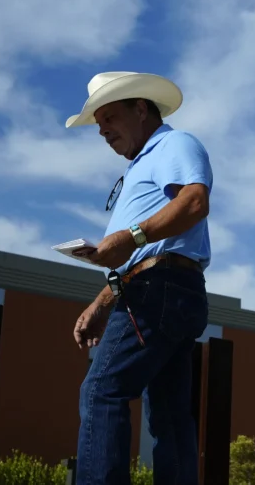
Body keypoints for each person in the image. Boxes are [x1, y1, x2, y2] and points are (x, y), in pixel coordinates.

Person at [65, 71, 213, 484]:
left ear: (141, 108)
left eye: (109, 117)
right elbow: (140, 256)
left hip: (158, 289)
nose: (102, 130)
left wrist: (130, 237)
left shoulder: (173, 143)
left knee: (101, 392)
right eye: (98, 124)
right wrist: (101, 303)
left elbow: (195, 201)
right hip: (165, 288)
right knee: (169, 415)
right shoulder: (142, 166)